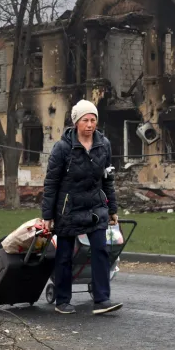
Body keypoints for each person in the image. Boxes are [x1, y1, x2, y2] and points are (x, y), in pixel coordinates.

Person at [41, 99, 121, 315]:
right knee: (65, 255)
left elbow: (108, 179)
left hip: (95, 206)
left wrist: (112, 209)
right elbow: (51, 183)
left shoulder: (104, 145)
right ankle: (62, 300)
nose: (90, 124)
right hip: (68, 208)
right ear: (76, 122)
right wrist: (47, 215)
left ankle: (102, 299)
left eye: (93, 120)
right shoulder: (62, 148)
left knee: (100, 250)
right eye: (85, 120)